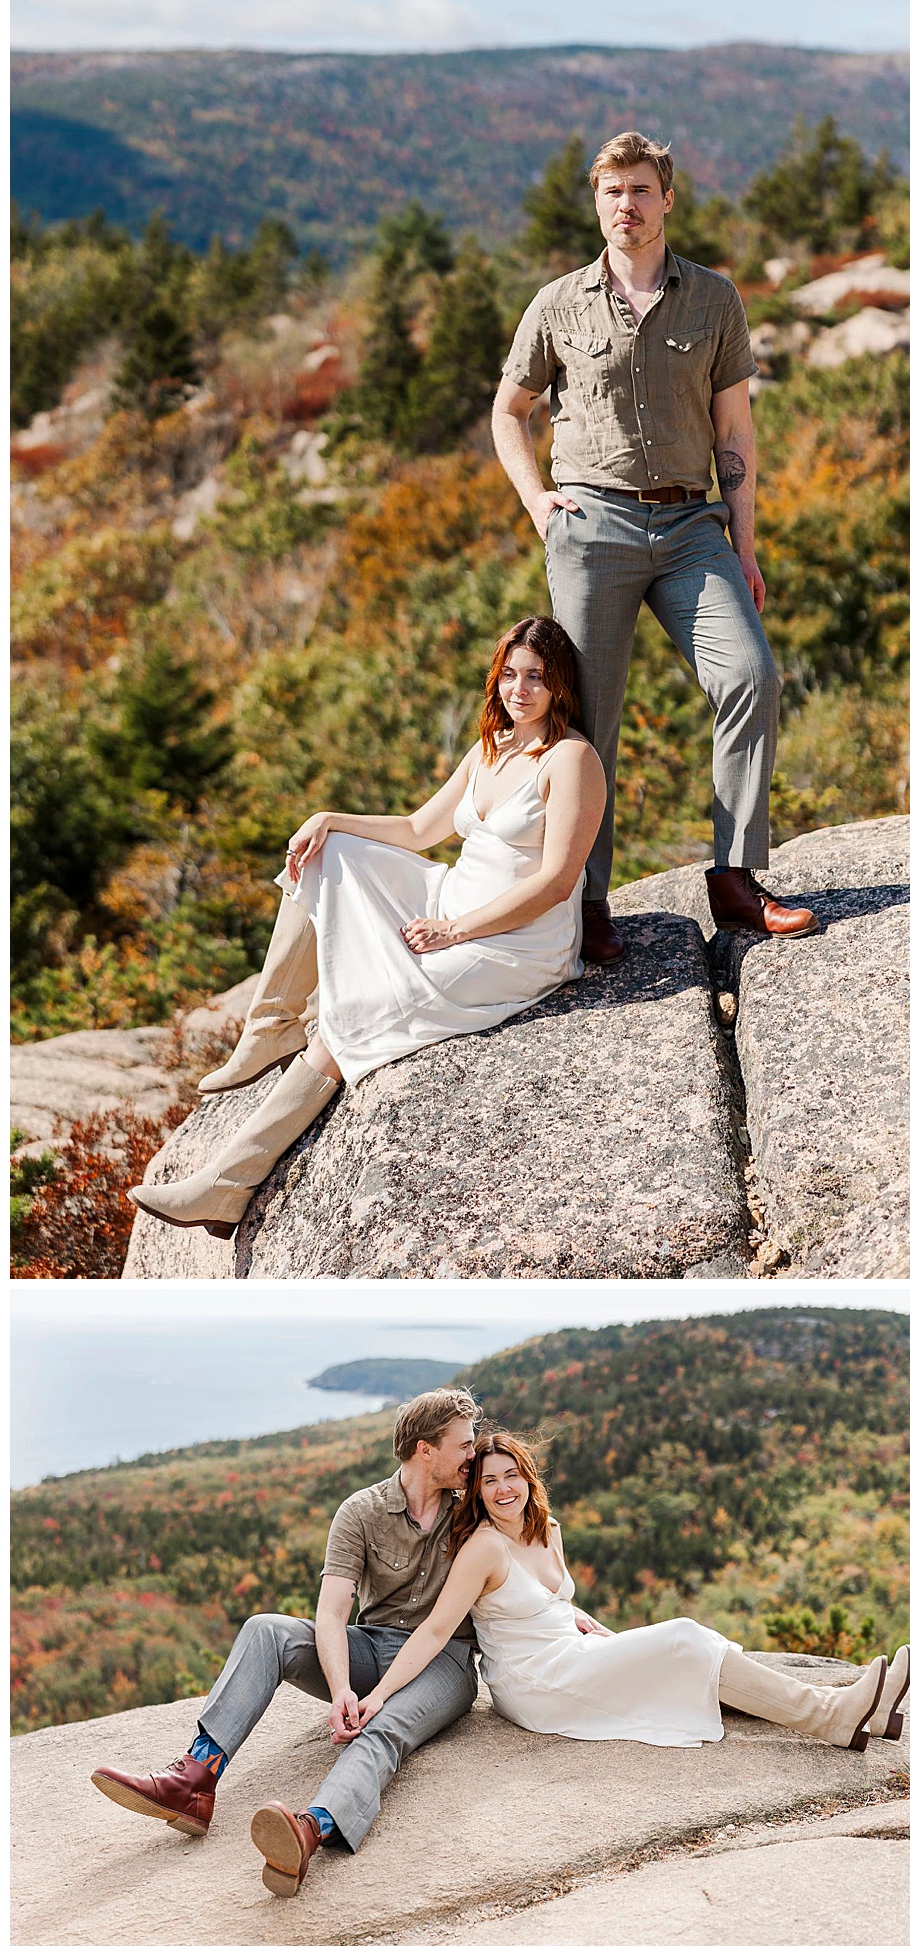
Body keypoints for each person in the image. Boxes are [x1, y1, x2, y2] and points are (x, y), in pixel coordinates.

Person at [127, 618, 604, 1235]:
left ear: (559, 684)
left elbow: (556, 883)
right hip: (450, 895)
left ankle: (225, 1185)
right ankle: (271, 1026)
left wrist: (454, 931)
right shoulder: (492, 748)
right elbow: (416, 831)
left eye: (536, 677)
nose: (520, 690)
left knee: (357, 1012)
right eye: (509, 675)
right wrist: (328, 817)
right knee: (324, 853)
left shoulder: (571, 760)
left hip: (514, 941)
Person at [492, 128, 819, 966]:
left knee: (750, 673)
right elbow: (509, 411)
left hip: (689, 529)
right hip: (591, 526)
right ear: (596, 202)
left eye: (641, 190)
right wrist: (538, 503)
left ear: (666, 198)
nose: (626, 205)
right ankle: (586, 900)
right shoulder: (557, 303)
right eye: (612, 192)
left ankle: (737, 878)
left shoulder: (715, 299)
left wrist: (743, 549)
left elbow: (735, 428)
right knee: (587, 718)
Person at [89, 1390, 485, 1899]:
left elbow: (531, 1544)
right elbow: (332, 1610)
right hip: (372, 1645)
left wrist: (568, 1614)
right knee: (265, 1629)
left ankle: (310, 1829)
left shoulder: (474, 1507)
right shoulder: (360, 1513)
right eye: (464, 1445)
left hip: (443, 1661)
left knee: (384, 1727)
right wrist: (342, 1688)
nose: (473, 1455)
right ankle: (194, 1780)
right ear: (425, 1449)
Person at [356, 1430, 910, 1766]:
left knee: (706, 1649)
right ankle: (832, 1716)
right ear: (475, 1492)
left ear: (528, 1478)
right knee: (684, 1638)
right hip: (533, 1681)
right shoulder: (482, 1547)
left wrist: (582, 1620)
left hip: (572, 1654)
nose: (503, 1489)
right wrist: (378, 1695)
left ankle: (867, 1713)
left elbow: (545, 1600)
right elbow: (434, 1631)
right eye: (486, 1481)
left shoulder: (547, 1529)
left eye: (511, 1475)